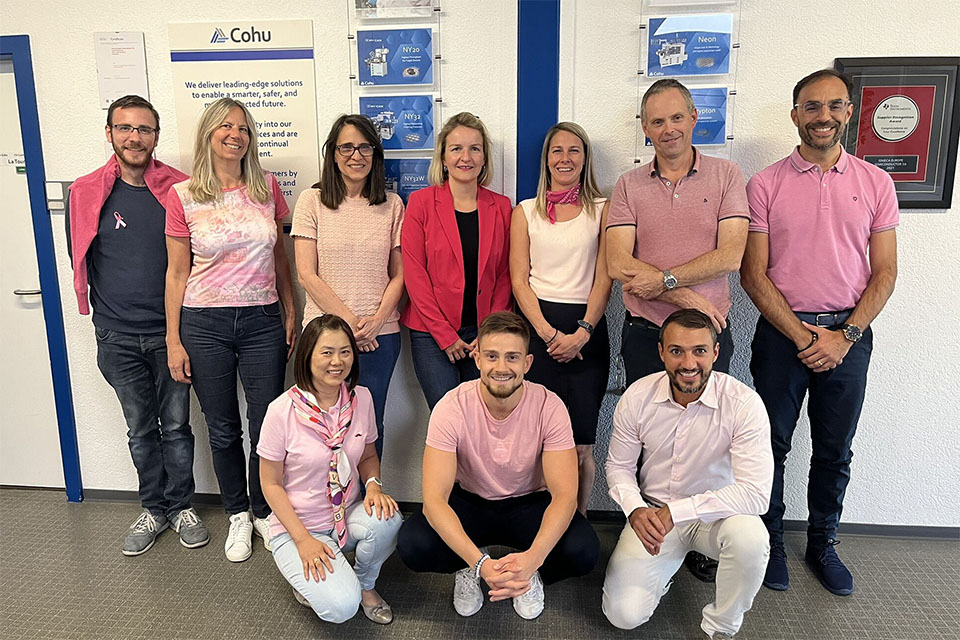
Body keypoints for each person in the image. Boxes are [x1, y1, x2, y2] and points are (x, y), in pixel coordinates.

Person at [741, 69, 899, 597]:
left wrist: (844, 335)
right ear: (795, 115)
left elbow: (885, 273)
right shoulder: (765, 183)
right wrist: (805, 337)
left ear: (849, 112)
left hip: (849, 336)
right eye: (812, 106)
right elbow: (753, 274)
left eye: (834, 106)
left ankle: (822, 543)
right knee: (770, 446)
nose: (823, 116)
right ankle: (769, 542)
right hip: (782, 336)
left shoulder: (877, 183)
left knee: (835, 449)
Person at [606, 77, 750, 583]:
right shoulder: (628, 185)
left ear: (694, 118)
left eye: (676, 117)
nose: (667, 128)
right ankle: (649, 528)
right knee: (652, 435)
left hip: (708, 335)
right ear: (645, 129)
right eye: (656, 121)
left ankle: (701, 534)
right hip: (646, 332)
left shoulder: (727, 176)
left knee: (709, 438)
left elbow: (733, 254)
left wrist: (665, 280)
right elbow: (619, 261)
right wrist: (684, 295)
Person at [68, 95, 207, 555]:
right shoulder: (85, 192)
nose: (134, 137)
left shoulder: (181, 189)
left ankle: (182, 504)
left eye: (144, 129)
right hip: (116, 335)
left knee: (177, 426)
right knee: (140, 429)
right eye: (125, 128)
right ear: (109, 133)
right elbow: (80, 257)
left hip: (173, 334)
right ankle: (154, 509)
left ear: (156, 137)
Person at [397, 311, 599, 621]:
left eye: (512, 357)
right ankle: (468, 565)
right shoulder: (451, 407)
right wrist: (480, 565)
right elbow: (435, 500)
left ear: (527, 364)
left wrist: (532, 560)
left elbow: (564, 496)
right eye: (492, 356)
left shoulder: (551, 406)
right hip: (471, 502)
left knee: (584, 549)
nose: (501, 367)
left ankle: (526, 573)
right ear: (477, 358)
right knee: (414, 544)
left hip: (529, 503)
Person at [164, 97, 296, 563]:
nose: (235, 134)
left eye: (243, 127)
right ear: (208, 134)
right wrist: (174, 339)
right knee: (222, 429)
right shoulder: (183, 196)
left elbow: (280, 256)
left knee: (266, 424)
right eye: (225, 126)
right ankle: (237, 512)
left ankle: (264, 509)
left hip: (262, 320)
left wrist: (290, 307)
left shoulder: (267, 189)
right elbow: (177, 274)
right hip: (205, 325)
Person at [602, 309, 772, 639]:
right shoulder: (638, 396)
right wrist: (635, 509)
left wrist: (677, 512)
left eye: (699, 351)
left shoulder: (743, 403)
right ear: (662, 352)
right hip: (653, 516)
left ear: (716, 353)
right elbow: (619, 467)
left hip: (717, 517)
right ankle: (663, 571)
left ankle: (721, 627)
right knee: (622, 615)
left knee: (751, 538)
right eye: (677, 351)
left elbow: (755, 493)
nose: (688, 363)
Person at [259, 314, 402, 624]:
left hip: (345, 515)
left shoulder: (360, 399)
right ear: (307, 355)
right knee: (341, 607)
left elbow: (367, 456)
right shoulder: (281, 411)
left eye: (345, 351)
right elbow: (269, 484)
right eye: (327, 352)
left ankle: (365, 585)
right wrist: (303, 540)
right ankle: (311, 577)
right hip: (298, 526)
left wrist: (374, 485)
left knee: (389, 520)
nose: (337, 361)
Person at [509, 122, 611, 515]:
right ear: (546, 159)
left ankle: (578, 521)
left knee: (582, 441)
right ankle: (541, 519)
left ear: (585, 159)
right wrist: (550, 334)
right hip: (538, 331)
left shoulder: (603, 209)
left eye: (574, 150)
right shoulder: (526, 212)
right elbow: (519, 281)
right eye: (557, 151)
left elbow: (605, 277)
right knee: (537, 437)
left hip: (588, 331)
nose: (565, 158)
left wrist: (581, 333)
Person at [292, 114, 404, 458]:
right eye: (347, 147)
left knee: (369, 426)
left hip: (379, 337)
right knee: (319, 423)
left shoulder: (393, 205)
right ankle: (323, 504)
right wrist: (350, 326)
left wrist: (375, 322)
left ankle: (367, 504)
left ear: (375, 153)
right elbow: (306, 274)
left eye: (365, 147)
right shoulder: (312, 201)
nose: (356, 156)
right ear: (333, 153)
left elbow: (400, 275)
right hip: (325, 335)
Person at [401, 112, 513, 409]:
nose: (466, 157)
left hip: (483, 334)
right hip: (431, 334)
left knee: (481, 418)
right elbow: (415, 275)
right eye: (456, 148)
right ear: (443, 157)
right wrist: (445, 335)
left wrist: (489, 332)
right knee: (446, 420)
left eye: (475, 148)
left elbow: (505, 275)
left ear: (485, 157)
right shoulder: (421, 204)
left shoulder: (501, 208)